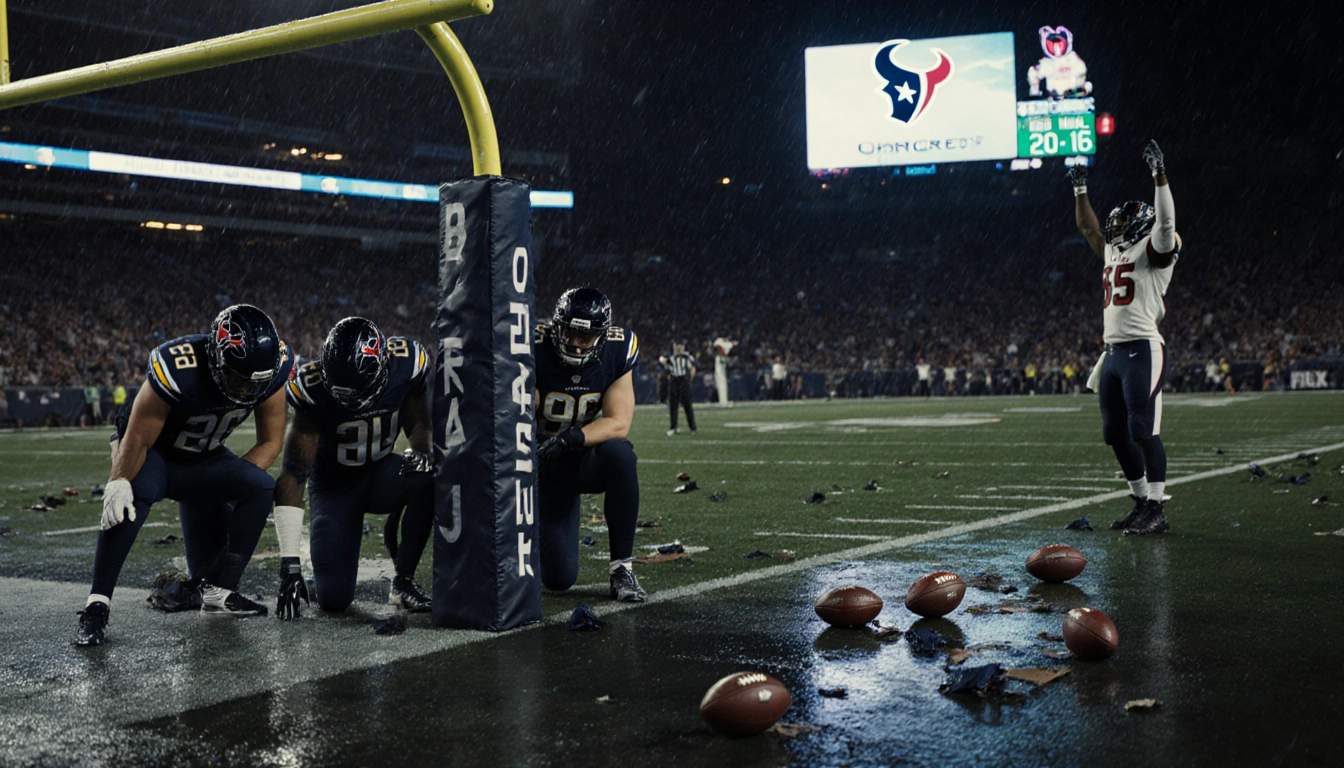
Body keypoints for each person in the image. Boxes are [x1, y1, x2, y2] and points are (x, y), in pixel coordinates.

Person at [75, 304, 292, 646]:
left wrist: (227, 490)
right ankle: (96, 606)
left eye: (256, 382)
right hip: (158, 456)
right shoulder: (179, 365)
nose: (247, 389)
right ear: (217, 360)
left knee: (261, 486)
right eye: (238, 378)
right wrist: (118, 481)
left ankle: (220, 591)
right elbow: (138, 438)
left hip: (206, 459)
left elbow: (271, 442)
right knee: (128, 501)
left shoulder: (271, 368)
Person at [273, 317, 435, 617]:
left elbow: (417, 423)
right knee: (334, 600)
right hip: (333, 489)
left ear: (383, 366)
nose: (352, 400)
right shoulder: (312, 388)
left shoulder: (405, 365)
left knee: (427, 476)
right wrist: (289, 565)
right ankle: (324, 571)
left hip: (380, 474)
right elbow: (294, 474)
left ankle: (404, 582)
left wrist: (421, 450)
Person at [1070, 139, 1181, 536]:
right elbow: (1088, 227)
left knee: (1142, 429)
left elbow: (1165, 225)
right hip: (1113, 353)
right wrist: (1080, 189)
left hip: (1142, 349)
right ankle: (1140, 501)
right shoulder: (1113, 252)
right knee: (1114, 433)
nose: (1114, 229)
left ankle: (1157, 508)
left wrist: (1159, 174)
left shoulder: (1155, 249)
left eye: (1121, 224)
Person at [534, 287, 646, 603]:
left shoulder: (617, 349)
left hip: (575, 455)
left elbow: (618, 423)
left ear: (601, 335)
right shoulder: (533, 347)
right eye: (568, 332)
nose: (574, 342)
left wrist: (569, 439)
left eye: (584, 336)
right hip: (536, 458)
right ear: (556, 326)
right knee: (559, 579)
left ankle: (621, 570)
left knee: (620, 454)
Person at [665, 341, 697, 435]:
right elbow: (667, 367)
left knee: (687, 404)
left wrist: (688, 380)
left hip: (682, 379)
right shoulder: (671, 358)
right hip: (674, 380)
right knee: (673, 405)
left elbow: (692, 368)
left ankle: (692, 427)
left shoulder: (685, 357)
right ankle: (673, 427)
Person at [711, 335, 736, 405]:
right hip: (719, 368)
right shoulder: (719, 342)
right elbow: (718, 347)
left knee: (724, 384)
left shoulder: (726, 344)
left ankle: (724, 400)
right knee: (721, 384)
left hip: (722, 369)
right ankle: (722, 402)